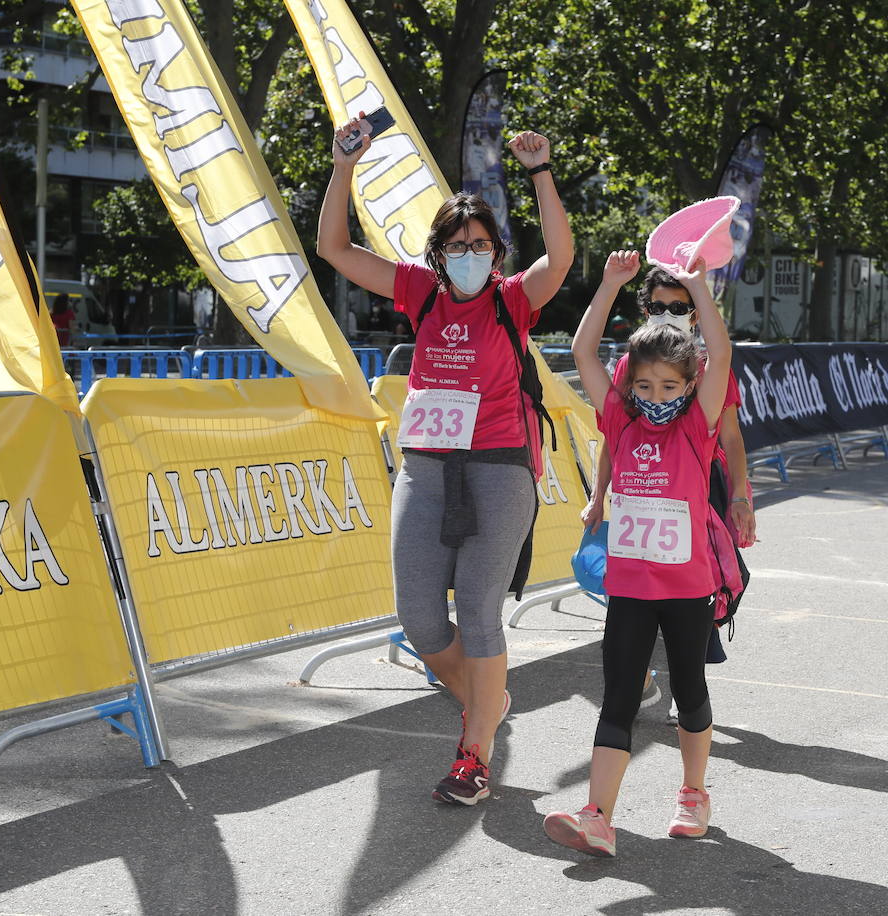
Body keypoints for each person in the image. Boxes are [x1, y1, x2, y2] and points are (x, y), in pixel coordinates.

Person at [317, 117, 572, 805]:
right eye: (458, 246)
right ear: (438, 254)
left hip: (499, 468)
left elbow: (562, 257)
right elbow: (333, 247)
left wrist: (541, 174)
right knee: (421, 619)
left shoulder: (512, 299)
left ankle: (474, 753)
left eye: (481, 246)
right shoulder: (419, 291)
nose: (470, 254)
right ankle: (487, 704)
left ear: (495, 254)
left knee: (480, 611)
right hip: (426, 468)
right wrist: (345, 165)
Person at [543, 248, 731, 857]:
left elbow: (720, 354)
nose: (655, 394)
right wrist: (606, 286)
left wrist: (700, 288)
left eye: (669, 385)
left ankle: (694, 791)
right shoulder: (621, 421)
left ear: (690, 385)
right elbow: (581, 352)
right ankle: (598, 814)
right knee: (619, 693)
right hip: (630, 587)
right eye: (644, 384)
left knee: (690, 690)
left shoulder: (695, 426)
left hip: (686, 589)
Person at [582, 265, 756, 710]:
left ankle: (689, 686)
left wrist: (740, 496)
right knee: (635, 591)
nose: (667, 314)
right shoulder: (626, 365)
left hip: (694, 484)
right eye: (658, 307)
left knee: (698, 596)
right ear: (644, 310)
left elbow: (731, 437)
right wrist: (598, 496)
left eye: (678, 308)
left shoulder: (708, 372)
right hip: (640, 489)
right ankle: (637, 678)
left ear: (695, 314)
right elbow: (615, 438)